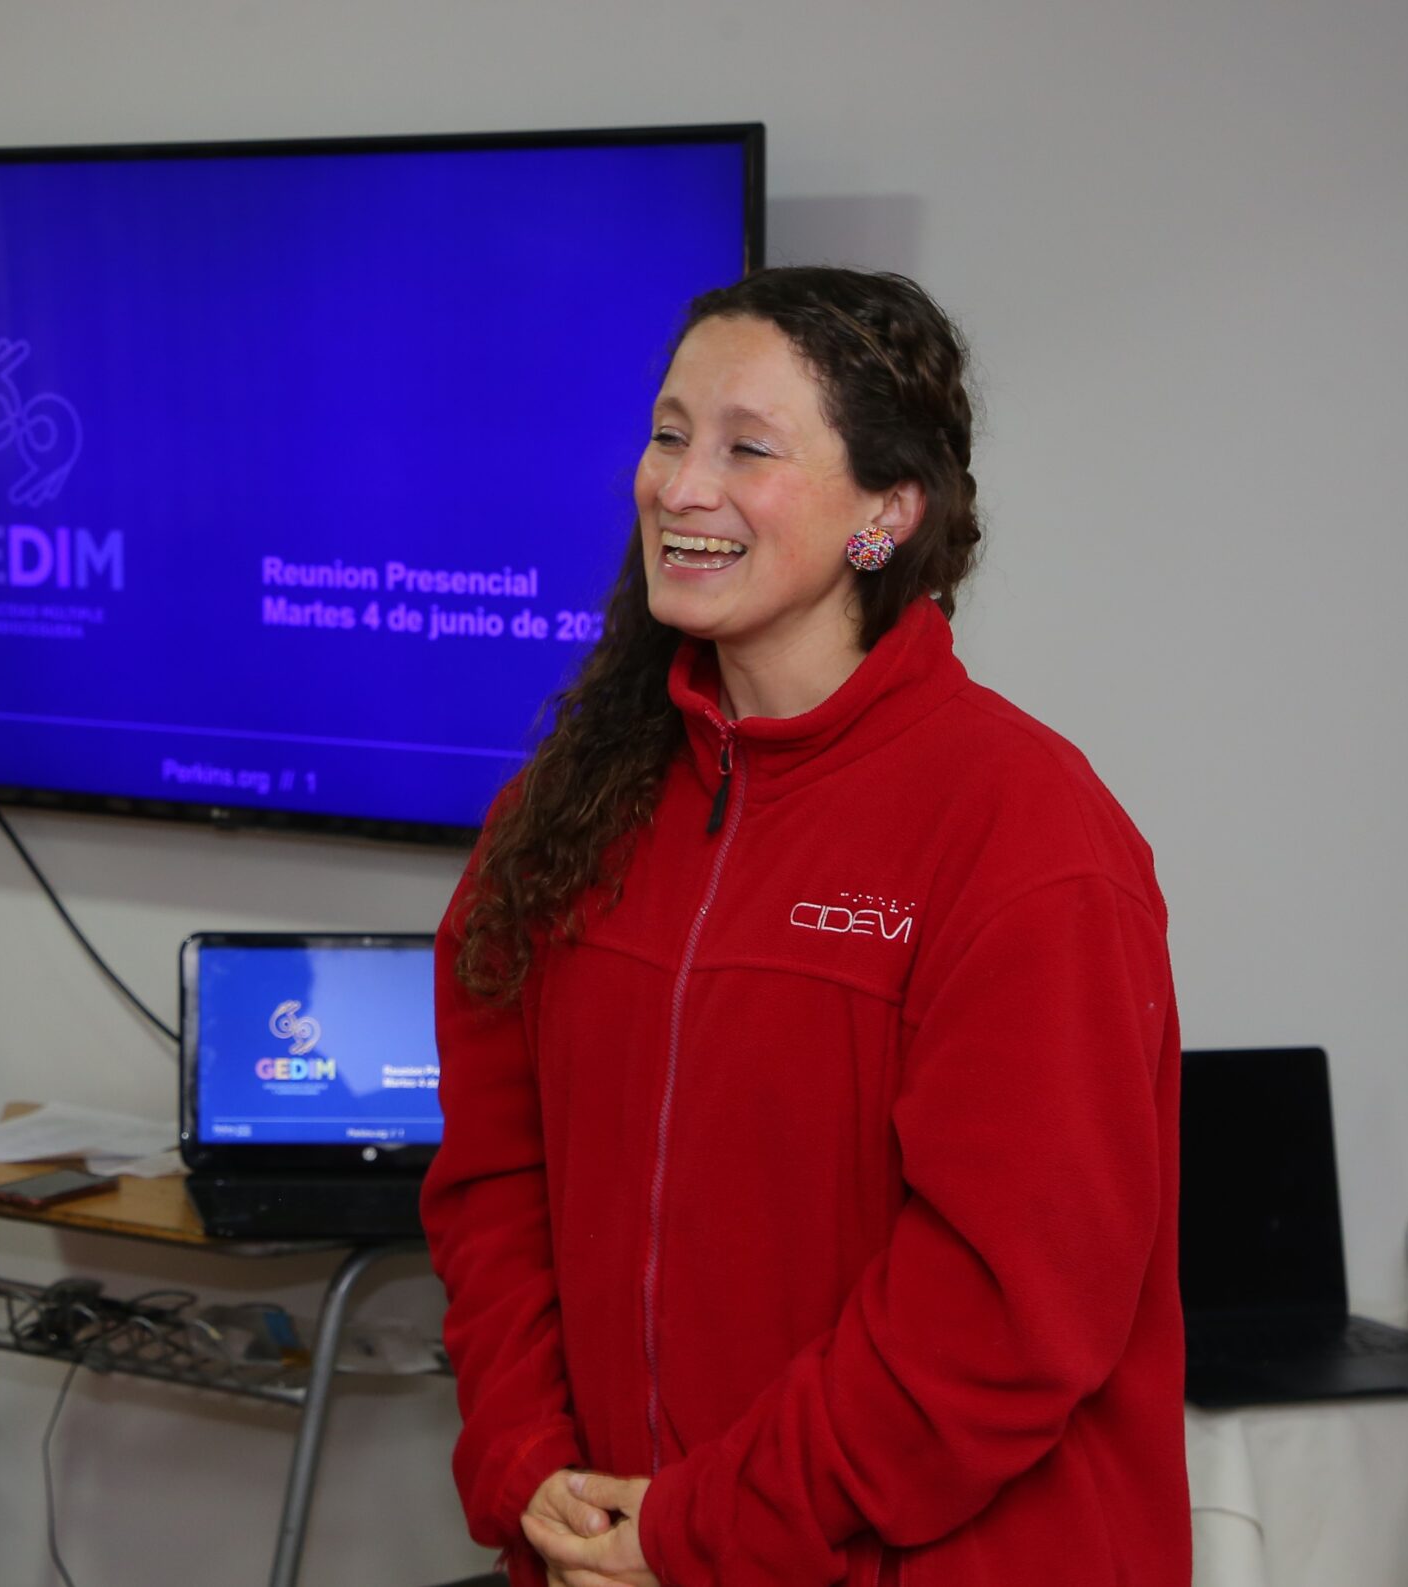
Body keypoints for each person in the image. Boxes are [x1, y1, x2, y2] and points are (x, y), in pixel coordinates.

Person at [421, 267, 1187, 1587]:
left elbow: (1001, 1316)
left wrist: (701, 1524)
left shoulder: (1026, 834)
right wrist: (530, 1461)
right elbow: (498, 1185)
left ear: (887, 513)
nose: (681, 486)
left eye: (747, 449)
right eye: (669, 435)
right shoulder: (560, 812)